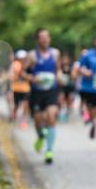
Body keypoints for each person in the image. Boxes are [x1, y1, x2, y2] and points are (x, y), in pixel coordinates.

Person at [25, 29, 61, 164]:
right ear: (38, 40)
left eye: (47, 37)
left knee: (51, 116)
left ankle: (49, 150)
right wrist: (32, 78)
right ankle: (40, 135)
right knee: (38, 120)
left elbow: (58, 69)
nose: (45, 40)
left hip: (51, 90)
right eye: (42, 38)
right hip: (37, 92)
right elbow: (22, 73)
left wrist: (59, 76)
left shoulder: (55, 53)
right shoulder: (32, 56)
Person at [9, 50, 31, 126]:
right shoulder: (16, 65)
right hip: (17, 88)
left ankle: (23, 119)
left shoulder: (28, 65)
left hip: (25, 88)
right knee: (17, 104)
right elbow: (14, 76)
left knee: (25, 104)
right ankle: (14, 116)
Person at [57, 52, 76, 123]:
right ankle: (61, 112)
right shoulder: (59, 67)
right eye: (63, 59)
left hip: (70, 86)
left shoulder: (71, 67)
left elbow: (74, 76)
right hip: (62, 86)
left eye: (66, 59)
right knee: (60, 99)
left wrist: (72, 74)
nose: (65, 61)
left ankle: (67, 112)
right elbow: (57, 74)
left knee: (69, 99)